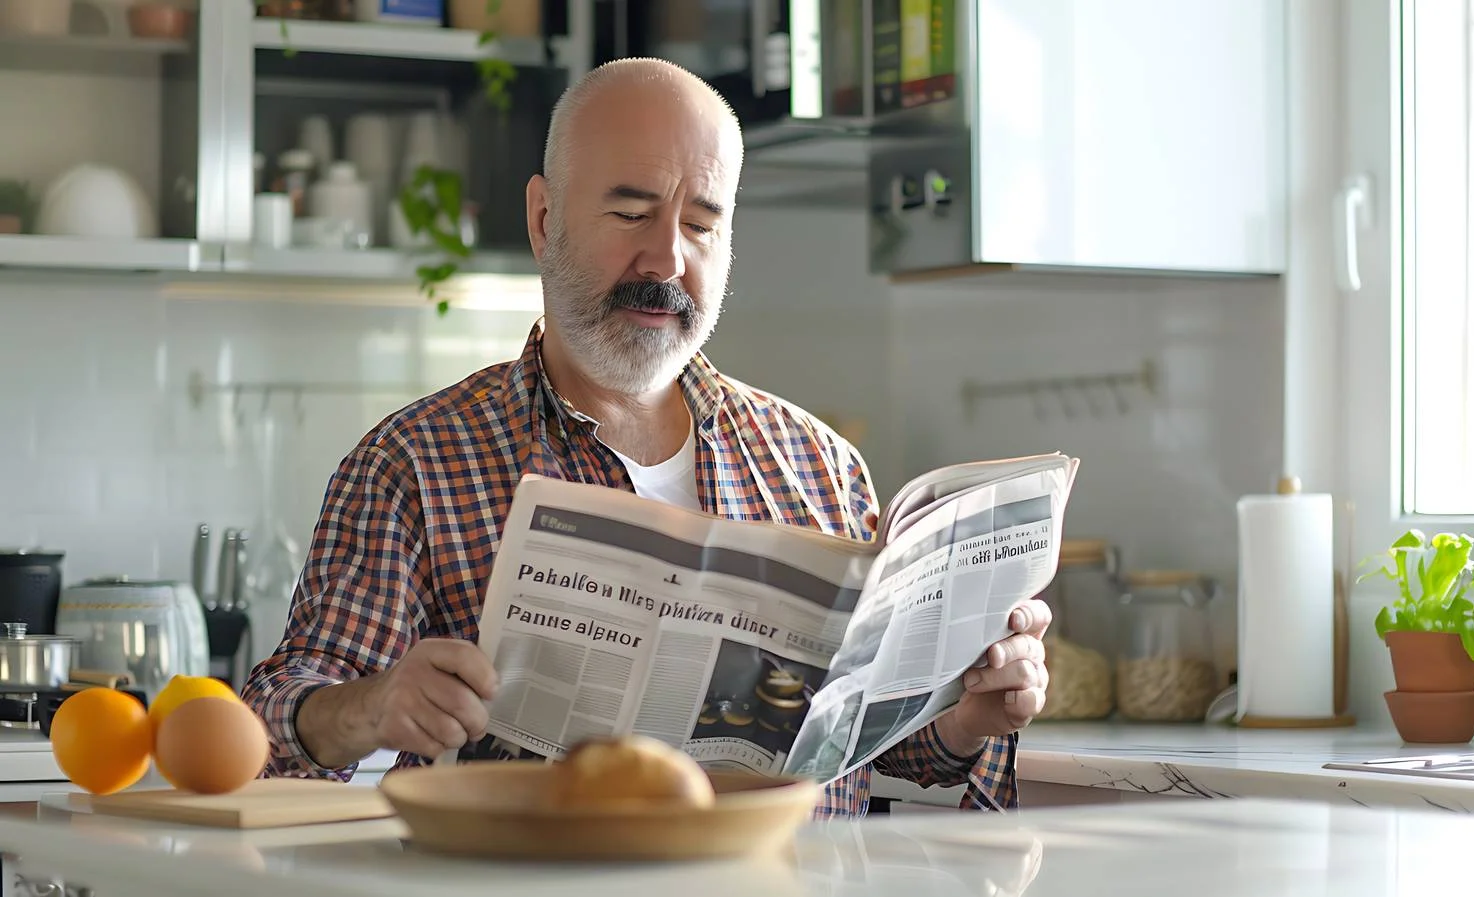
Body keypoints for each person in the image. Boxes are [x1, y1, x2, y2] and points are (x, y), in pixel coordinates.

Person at [239, 57, 1052, 819]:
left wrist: (965, 718)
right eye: (631, 212)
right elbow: (266, 738)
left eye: (702, 224)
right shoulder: (414, 463)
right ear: (544, 218)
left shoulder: (819, 464)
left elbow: (885, 748)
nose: (666, 255)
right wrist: (371, 705)